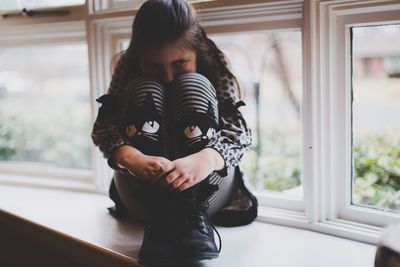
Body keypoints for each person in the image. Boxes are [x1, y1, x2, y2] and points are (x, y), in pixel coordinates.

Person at [91, 0, 258, 265]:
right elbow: (104, 127)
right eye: (154, 65)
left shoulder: (212, 62)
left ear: (198, 54)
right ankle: (159, 220)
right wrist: (132, 158)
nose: (168, 76)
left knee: (192, 84)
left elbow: (239, 131)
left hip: (206, 194)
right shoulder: (129, 65)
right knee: (146, 88)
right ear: (139, 57)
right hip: (142, 197)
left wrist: (207, 158)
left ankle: (191, 220)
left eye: (180, 63)